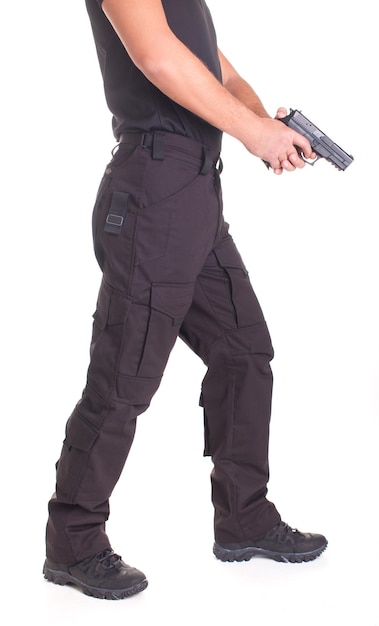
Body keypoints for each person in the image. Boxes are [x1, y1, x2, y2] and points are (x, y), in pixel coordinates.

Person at [43, 0, 327, 600]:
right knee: (124, 378)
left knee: (245, 352)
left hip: (198, 190)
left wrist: (269, 125)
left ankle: (244, 517)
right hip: (154, 192)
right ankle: (73, 539)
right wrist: (256, 133)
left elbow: (217, 71)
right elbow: (157, 57)